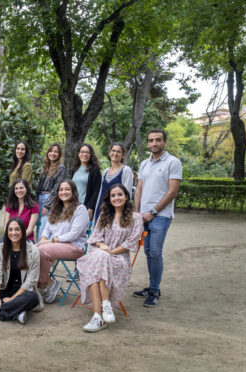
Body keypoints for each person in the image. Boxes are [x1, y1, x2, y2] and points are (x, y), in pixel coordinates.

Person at [77, 184, 143, 332]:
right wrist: (103, 248)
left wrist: (110, 252)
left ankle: (98, 317)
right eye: (113, 195)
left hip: (119, 258)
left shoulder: (136, 218)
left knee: (97, 264)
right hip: (100, 252)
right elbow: (96, 238)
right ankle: (104, 307)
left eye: (120, 195)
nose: (116, 198)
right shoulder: (104, 215)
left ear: (126, 197)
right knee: (99, 259)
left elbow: (130, 243)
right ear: (109, 199)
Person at [132, 129, 182, 307]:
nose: (154, 143)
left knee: (155, 252)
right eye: (151, 140)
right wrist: (137, 212)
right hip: (143, 216)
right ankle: (151, 286)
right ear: (147, 143)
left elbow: (172, 191)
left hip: (160, 216)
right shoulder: (145, 164)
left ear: (164, 142)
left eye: (158, 140)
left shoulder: (173, 162)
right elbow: (139, 189)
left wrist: (152, 212)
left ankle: (154, 290)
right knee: (147, 253)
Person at [36, 180, 89, 304]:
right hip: (55, 245)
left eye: (67, 189)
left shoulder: (80, 209)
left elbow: (73, 234)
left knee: (42, 251)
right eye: (61, 190)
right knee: (32, 250)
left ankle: (42, 285)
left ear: (73, 192)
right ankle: (50, 283)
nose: (63, 192)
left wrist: (51, 241)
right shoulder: (56, 209)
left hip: (74, 246)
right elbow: (47, 228)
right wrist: (43, 239)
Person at [93, 143, 134, 222]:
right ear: (109, 153)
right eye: (113, 151)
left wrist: (122, 214)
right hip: (101, 209)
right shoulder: (105, 172)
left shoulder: (126, 170)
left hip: (115, 211)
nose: (115, 153)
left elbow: (127, 194)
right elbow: (100, 194)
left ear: (123, 155)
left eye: (119, 152)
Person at [36, 143, 67, 239]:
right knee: (38, 226)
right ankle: (37, 251)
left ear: (59, 154)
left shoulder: (61, 168)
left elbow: (57, 188)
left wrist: (47, 205)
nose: (53, 153)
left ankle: (41, 251)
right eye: (51, 151)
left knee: (44, 229)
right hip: (40, 198)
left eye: (56, 152)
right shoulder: (45, 166)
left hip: (50, 200)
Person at [72, 143, 102, 220]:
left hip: (84, 207)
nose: (84, 154)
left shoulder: (95, 170)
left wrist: (91, 208)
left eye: (87, 152)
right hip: (72, 206)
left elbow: (96, 191)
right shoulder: (75, 168)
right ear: (78, 154)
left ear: (91, 154)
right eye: (82, 152)